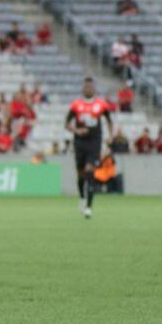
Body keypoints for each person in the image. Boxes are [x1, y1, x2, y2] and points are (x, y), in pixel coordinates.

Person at [65, 78, 115, 219]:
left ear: (94, 89)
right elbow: (66, 123)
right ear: (83, 89)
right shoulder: (76, 105)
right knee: (81, 175)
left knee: (90, 171)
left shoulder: (101, 104)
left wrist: (111, 136)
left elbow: (109, 121)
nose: (88, 89)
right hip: (80, 143)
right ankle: (82, 196)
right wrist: (77, 131)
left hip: (94, 143)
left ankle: (89, 207)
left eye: (90, 87)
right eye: (86, 87)